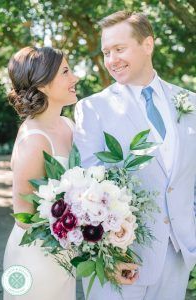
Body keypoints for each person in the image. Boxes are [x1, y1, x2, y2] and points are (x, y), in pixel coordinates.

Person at [74, 11, 196, 300]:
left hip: (180, 253)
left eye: (119, 49)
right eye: (106, 52)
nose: (112, 59)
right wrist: (107, 253)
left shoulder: (190, 102)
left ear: (148, 44)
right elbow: (88, 190)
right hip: (123, 260)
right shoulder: (92, 109)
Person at [3, 46, 78, 300]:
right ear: (44, 85)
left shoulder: (68, 125)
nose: (75, 78)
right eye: (66, 72)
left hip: (64, 256)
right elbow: (24, 217)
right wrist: (79, 218)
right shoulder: (33, 141)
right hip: (34, 259)